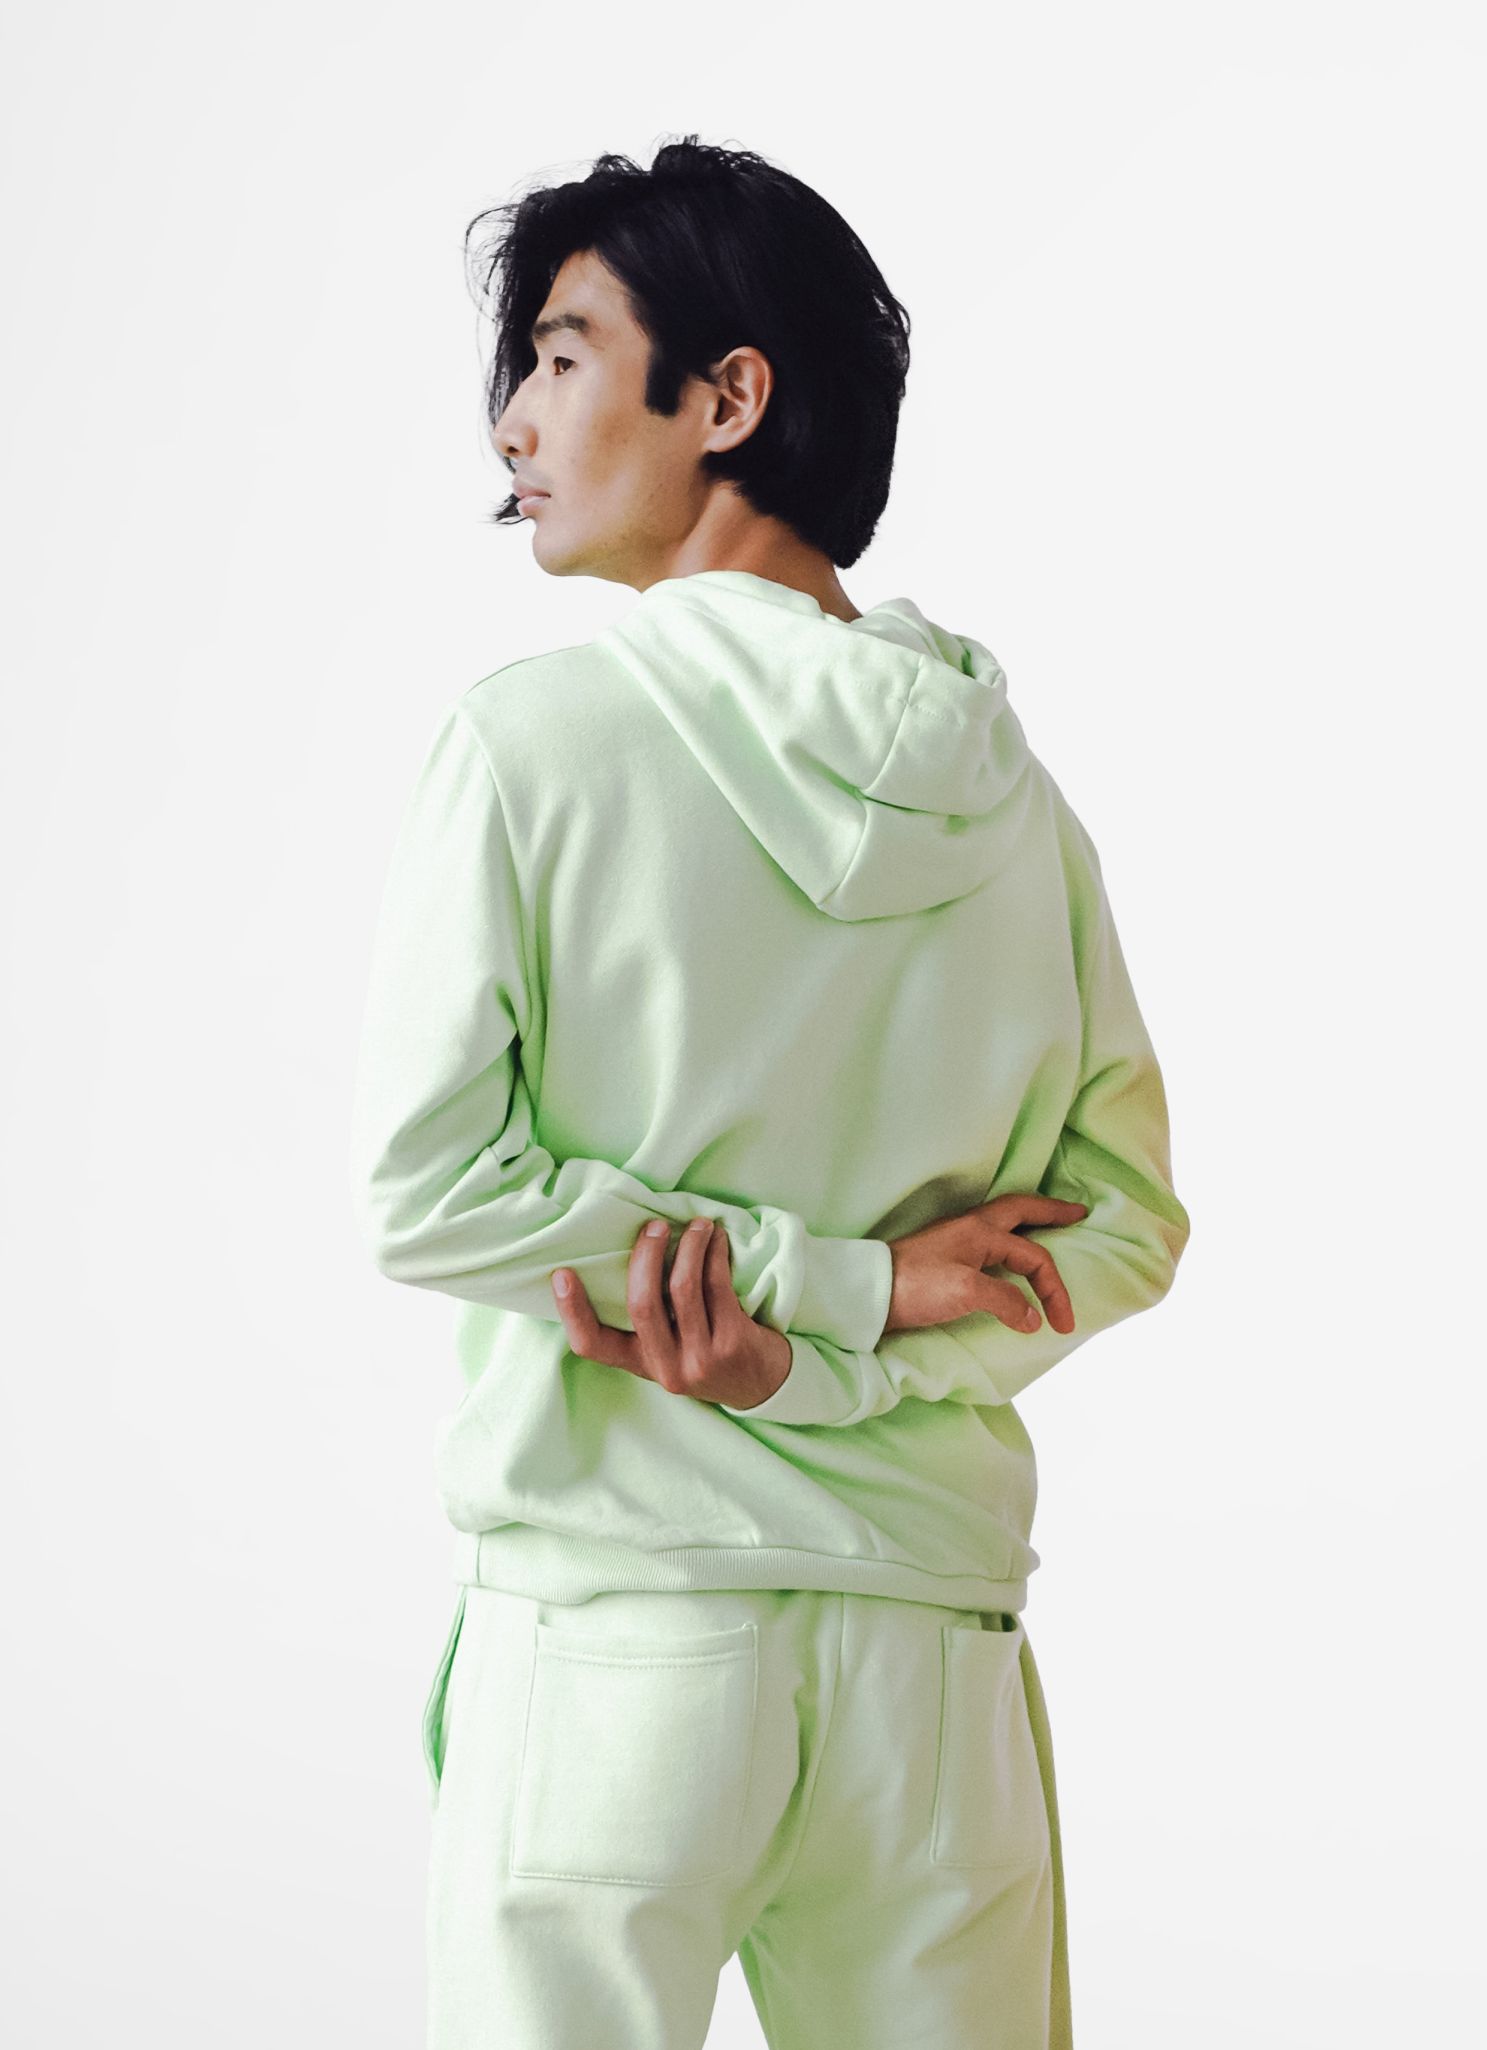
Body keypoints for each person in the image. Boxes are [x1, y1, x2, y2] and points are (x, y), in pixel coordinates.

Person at [347, 133, 1190, 2050]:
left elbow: (429, 1189)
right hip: (932, 1670)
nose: (512, 420)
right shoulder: (1015, 808)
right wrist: (864, 1318)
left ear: (730, 396)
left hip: (618, 1635)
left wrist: (797, 1303)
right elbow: (1123, 1228)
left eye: (562, 354)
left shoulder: (531, 746)